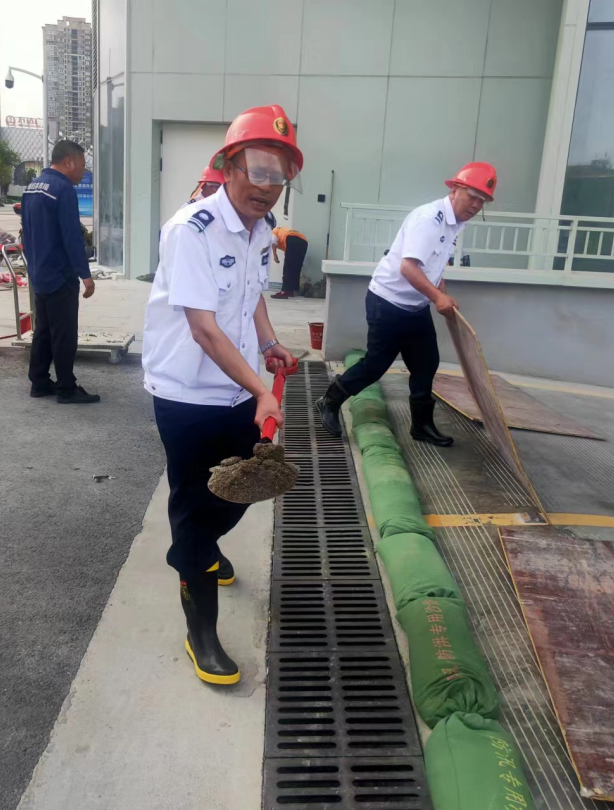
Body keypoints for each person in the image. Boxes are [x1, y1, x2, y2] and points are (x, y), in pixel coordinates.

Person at [143, 104, 301, 686]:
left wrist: (269, 343)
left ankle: (198, 548)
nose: (266, 185)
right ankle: (201, 632)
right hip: (187, 395)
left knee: (240, 488)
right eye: (257, 169)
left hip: (237, 392)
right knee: (194, 506)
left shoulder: (260, 229)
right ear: (229, 165)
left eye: (279, 174)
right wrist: (263, 390)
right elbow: (204, 328)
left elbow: (251, 293)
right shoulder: (192, 230)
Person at [315, 162, 497, 446]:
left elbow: (433, 265)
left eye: (482, 201)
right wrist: (438, 297)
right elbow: (408, 268)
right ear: (454, 189)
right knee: (376, 364)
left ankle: (421, 426)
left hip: (416, 306)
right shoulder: (428, 219)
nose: (476, 205)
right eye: (472, 196)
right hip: (387, 300)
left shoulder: (455, 223)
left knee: (427, 363)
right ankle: (329, 400)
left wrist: (441, 293)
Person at [22, 140, 99, 404]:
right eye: (82, 165)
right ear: (69, 161)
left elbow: (27, 232)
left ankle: (39, 381)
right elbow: (72, 236)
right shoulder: (63, 189)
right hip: (60, 273)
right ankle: (66, 387)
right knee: (64, 333)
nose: (83, 171)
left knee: (43, 329)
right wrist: (84, 274)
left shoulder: (33, 187)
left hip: (39, 271)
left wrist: (33, 266)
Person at [270, 226, 307, 299]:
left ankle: (284, 292)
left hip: (291, 239)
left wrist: (275, 254)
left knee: (288, 267)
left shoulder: (273, 231)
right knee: (296, 267)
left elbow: (273, 241)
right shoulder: (283, 230)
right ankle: (292, 290)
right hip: (303, 241)